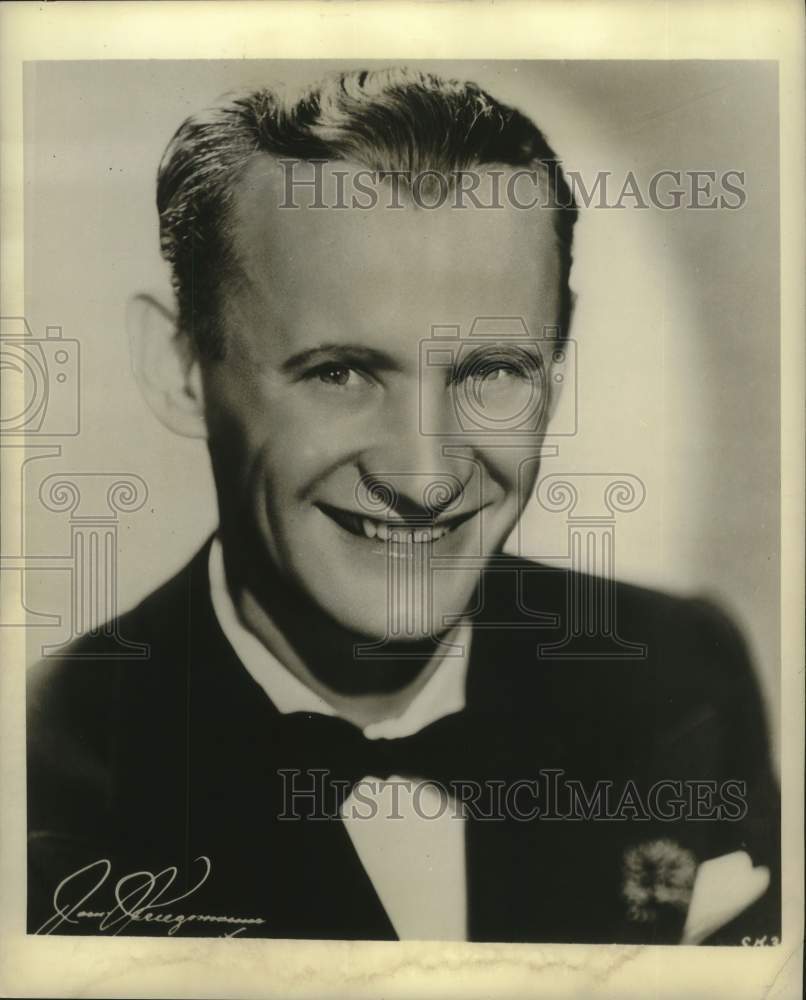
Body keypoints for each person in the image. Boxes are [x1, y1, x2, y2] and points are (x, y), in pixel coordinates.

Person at [27, 67, 780, 943]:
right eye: (339, 372)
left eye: (492, 372)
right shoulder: (46, 764)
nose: (425, 480)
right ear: (183, 369)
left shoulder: (681, 679)